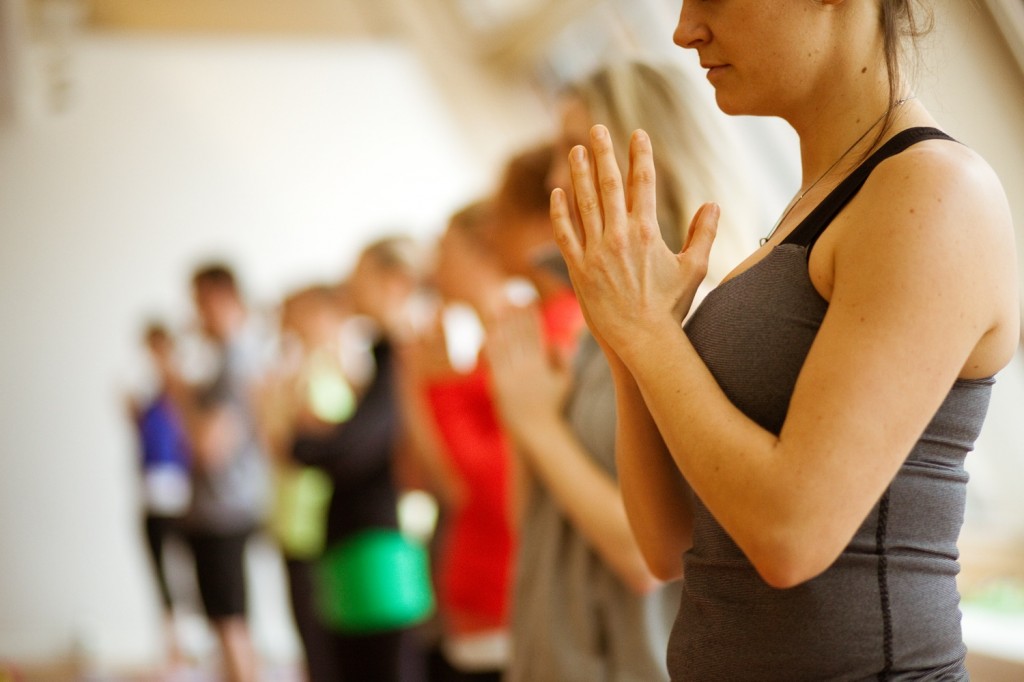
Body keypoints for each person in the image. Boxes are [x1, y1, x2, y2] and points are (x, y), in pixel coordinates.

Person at [551, 1, 1019, 679]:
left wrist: (650, 335)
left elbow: (790, 537)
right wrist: (629, 332)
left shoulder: (936, 190)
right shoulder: (810, 208)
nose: (685, 30)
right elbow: (668, 540)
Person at [482, 60, 744, 682]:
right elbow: (537, 520)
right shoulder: (595, 326)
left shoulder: (701, 320)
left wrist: (537, 424)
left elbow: (648, 554)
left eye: (571, 152)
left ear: (645, 156)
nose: (553, 179)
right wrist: (522, 413)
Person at [291, 236, 430, 682]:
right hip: (357, 541)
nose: (349, 284)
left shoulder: (404, 354)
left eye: (361, 272)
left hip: (379, 543)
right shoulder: (381, 357)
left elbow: (350, 453)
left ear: (394, 281)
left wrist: (303, 442)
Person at [397, 200, 518, 682]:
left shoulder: (514, 340)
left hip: (501, 594)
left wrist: (419, 386)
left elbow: (467, 485)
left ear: (481, 251)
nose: (435, 266)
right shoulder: (482, 352)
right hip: (471, 589)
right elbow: (422, 477)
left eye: (445, 250)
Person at [181, 263, 271, 682]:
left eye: (199, 302)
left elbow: (209, 446)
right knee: (225, 621)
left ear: (221, 297)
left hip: (226, 507)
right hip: (216, 507)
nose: (195, 314)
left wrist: (175, 387)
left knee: (231, 622)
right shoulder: (225, 359)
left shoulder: (239, 360)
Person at [128, 321, 192, 670]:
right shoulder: (149, 395)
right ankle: (174, 650)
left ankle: (198, 645)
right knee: (161, 575)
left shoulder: (183, 390)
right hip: (152, 492)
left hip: (182, 493)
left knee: (191, 574)